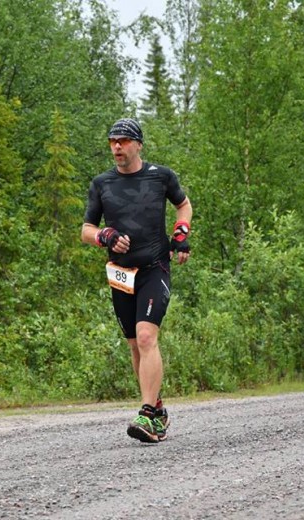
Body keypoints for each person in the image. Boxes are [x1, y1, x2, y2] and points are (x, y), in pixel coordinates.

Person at [81, 118, 192, 443]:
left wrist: (181, 234)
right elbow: (86, 230)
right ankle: (156, 408)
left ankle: (146, 414)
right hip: (121, 274)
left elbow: (183, 205)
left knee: (146, 337)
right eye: (113, 141)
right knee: (134, 344)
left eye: (124, 140)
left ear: (138, 144)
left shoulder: (161, 176)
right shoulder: (102, 184)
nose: (117, 146)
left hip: (154, 268)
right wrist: (105, 236)